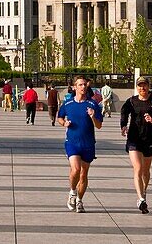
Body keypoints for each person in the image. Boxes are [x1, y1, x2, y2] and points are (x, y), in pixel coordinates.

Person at [119, 77, 152, 214]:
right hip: (134, 139)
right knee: (138, 168)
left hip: (149, 139)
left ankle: (143, 192)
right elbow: (124, 112)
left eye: (144, 86)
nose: (142, 88)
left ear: (148, 87)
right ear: (137, 87)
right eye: (140, 86)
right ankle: (141, 199)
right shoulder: (132, 101)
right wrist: (123, 125)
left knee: (146, 171)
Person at [58, 74, 103, 213]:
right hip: (72, 142)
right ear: (74, 87)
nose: (83, 87)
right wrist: (64, 123)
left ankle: (79, 200)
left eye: (84, 84)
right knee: (76, 169)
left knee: (83, 175)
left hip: (88, 143)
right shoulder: (68, 103)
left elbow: (99, 125)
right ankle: (72, 192)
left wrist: (92, 116)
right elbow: (60, 117)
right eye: (80, 85)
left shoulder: (92, 104)